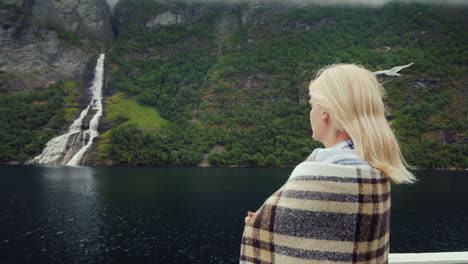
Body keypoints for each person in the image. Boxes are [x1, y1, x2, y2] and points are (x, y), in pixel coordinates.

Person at [240, 64, 415, 264]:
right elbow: (341, 231)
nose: (311, 113)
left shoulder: (322, 165)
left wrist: (259, 224)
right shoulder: (375, 166)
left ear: (325, 111)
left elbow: (272, 238)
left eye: (312, 105)